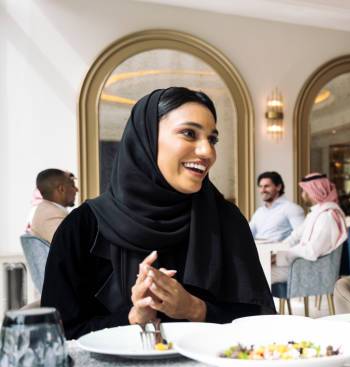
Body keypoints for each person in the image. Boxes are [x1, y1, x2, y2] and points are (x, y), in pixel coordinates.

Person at [41, 87, 275, 339]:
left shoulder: (226, 220)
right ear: (147, 139)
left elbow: (261, 323)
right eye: (189, 133)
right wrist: (133, 318)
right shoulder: (83, 228)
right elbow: (57, 334)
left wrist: (195, 308)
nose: (208, 152)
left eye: (212, 139)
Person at [271, 173, 348, 283]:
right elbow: (295, 236)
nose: (302, 195)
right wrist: (275, 251)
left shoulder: (326, 216)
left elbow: (312, 251)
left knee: (260, 273)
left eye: (304, 191)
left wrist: (280, 256)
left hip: (313, 269)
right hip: (302, 264)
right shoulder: (316, 213)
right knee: (259, 269)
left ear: (314, 192)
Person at [249, 171, 304, 242]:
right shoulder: (259, 211)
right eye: (260, 186)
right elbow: (248, 234)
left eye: (266, 186)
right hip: (258, 250)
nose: (262, 190)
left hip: (278, 251)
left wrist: (280, 246)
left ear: (278, 187)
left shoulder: (292, 208)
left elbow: (301, 235)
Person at [29, 169, 78, 243]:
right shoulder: (50, 215)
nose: (77, 190)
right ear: (61, 189)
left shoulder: (46, 209)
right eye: (72, 185)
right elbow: (69, 245)